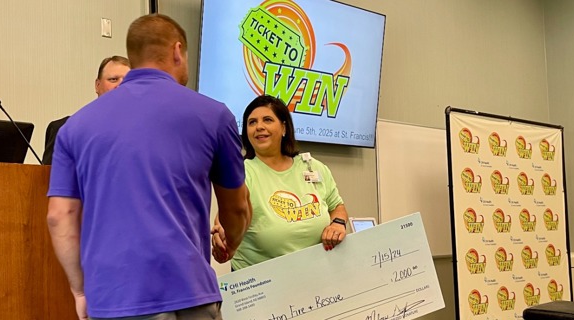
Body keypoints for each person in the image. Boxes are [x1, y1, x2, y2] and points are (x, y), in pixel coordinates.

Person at [46, 14, 251, 320]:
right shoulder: (214, 115)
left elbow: (59, 216)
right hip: (189, 293)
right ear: (177, 51)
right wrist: (230, 243)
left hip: (113, 300)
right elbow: (236, 208)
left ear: (133, 56)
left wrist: (80, 291)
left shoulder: (75, 127)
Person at [211, 95, 349, 271]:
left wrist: (337, 223)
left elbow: (337, 205)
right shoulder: (242, 172)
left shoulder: (314, 167)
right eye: (252, 122)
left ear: (284, 128)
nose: (259, 127)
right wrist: (222, 236)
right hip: (260, 286)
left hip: (316, 276)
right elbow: (229, 215)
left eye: (267, 120)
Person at [42, 55, 131, 165]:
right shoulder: (66, 129)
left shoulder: (146, 132)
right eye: (113, 79)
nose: (121, 86)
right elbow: (49, 180)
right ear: (97, 85)